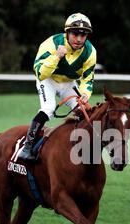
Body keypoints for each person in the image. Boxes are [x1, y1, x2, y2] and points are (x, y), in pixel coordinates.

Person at [18, 13, 97, 161]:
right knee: (48, 109)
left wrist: (86, 93)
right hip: (47, 80)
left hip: (68, 83)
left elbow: (88, 78)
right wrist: (57, 57)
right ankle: (27, 148)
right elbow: (40, 73)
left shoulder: (90, 52)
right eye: (75, 34)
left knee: (86, 112)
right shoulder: (51, 44)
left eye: (83, 35)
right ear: (67, 32)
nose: (79, 39)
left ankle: (83, 148)